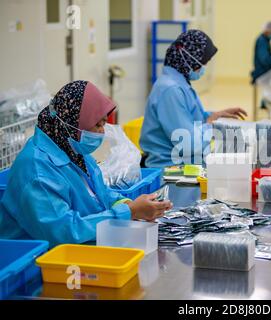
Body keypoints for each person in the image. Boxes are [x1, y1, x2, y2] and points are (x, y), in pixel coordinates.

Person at [0, 81, 172, 247]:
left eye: (104, 123)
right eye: (97, 125)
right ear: (71, 123)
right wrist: (130, 212)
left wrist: (125, 204)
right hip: (37, 264)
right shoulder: (37, 172)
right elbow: (63, 231)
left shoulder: (70, 148)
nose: (102, 132)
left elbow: (99, 194)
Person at [140, 30, 247, 167]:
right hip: (170, 171)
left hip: (186, 164)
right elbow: (188, 143)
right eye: (204, 62)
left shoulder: (179, 83)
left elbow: (187, 119)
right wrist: (210, 125)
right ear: (190, 59)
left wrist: (212, 116)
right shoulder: (171, 90)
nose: (204, 67)